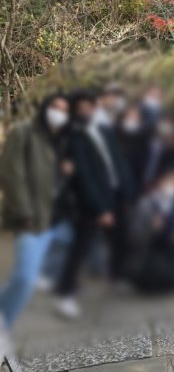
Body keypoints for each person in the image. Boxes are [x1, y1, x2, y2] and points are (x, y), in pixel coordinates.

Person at [55, 90, 135, 318]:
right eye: (81, 108)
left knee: (120, 238)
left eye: (89, 107)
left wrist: (128, 192)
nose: (86, 111)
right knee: (81, 245)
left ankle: (117, 277)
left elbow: (118, 160)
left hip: (116, 193)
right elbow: (84, 176)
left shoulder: (103, 130)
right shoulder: (74, 137)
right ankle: (65, 293)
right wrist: (100, 208)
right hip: (92, 200)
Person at [0, 94, 71, 329]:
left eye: (65, 110)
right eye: (55, 107)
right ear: (45, 107)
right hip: (32, 219)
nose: (59, 113)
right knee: (24, 278)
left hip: (58, 218)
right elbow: (11, 174)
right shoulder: (24, 132)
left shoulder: (62, 138)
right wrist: (24, 212)